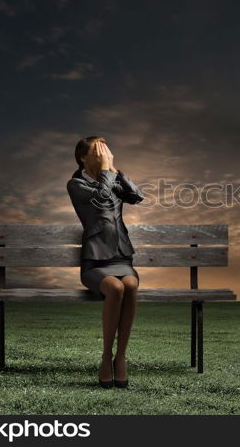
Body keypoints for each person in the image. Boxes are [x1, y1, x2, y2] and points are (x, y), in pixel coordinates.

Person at [66, 136, 145, 389]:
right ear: (82, 157)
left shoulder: (109, 176)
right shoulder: (76, 184)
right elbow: (100, 202)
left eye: (105, 152)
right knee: (116, 288)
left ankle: (120, 357)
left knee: (130, 285)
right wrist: (104, 172)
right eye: (97, 152)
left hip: (122, 256)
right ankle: (105, 357)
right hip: (95, 263)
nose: (103, 156)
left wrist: (114, 170)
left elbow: (135, 197)